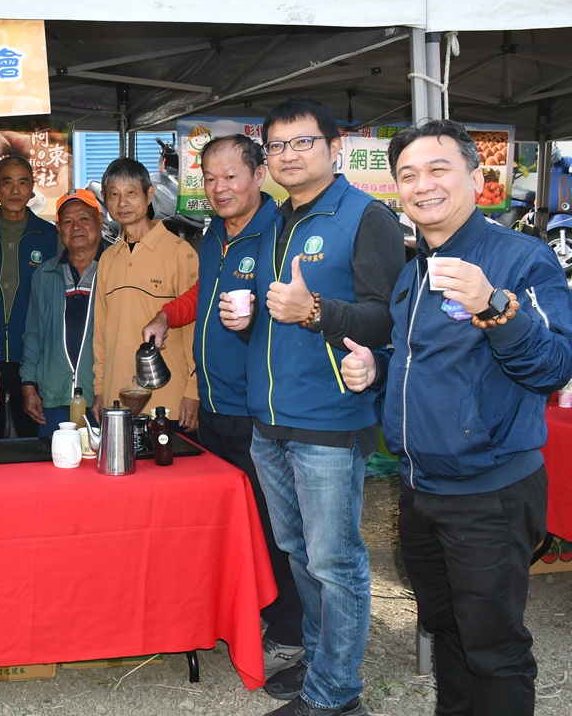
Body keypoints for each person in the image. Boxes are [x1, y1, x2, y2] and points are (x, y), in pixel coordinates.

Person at [342, 120, 572, 716]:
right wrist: (377, 367)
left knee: (494, 649)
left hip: (489, 493)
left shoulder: (520, 258)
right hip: (421, 492)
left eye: (438, 169)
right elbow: (419, 362)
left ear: (476, 176)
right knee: (445, 628)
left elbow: (554, 367)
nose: (423, 185)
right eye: (408, 175)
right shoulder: (414, 269)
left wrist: (494, 306)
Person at [220, 97, 405, 716]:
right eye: (277, 146)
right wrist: (247, 318)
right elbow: (277, 316)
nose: (288, 155)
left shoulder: (365, 217)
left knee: (335, 560)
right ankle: (323, 659)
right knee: (299, 551)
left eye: (302, 142)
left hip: (329, 420)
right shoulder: (275, 221)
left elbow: (388, 319)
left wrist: (317, 311)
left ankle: (336, 694)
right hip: (269, 419)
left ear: (335, 148)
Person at [143, 134, 305, 681]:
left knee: (273, 526)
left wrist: (258, 318)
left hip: (257, 410)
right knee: (225, 527)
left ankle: (289, 631)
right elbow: (205, 294)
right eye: (210, 178)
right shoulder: (214, 233)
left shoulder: (279, 233)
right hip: (212, 407)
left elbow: (295, 315)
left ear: (259, 175)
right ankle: (239, 613)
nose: (219, 188)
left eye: (231, 176)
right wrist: (167, 316)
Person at [92, 157, 198, 428]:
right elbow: (101, 333)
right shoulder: (108, 259)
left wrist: (193, 392)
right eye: (114, 195)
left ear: (149, 194)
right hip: (117, 401)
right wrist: (100, 388)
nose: (122, 203)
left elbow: (195, 330)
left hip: (168, 401)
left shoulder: (180, 252)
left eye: (131, 193)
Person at [0, 156, 59, 437]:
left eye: (23, 183)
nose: (15, 191)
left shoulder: (50, 236)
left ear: (32, 187)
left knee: (32, 438)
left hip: (33, 357)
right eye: (7, 182)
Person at [18, 189, 104, 435]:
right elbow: (33, 334)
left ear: (99, 221)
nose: (76, 227)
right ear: (59, 228)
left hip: (101, 397)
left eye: (84, 218)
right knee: (54, 457)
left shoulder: (116, 269)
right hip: (53, 396)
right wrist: (28, 386)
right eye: (67, 221)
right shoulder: (44, 274)